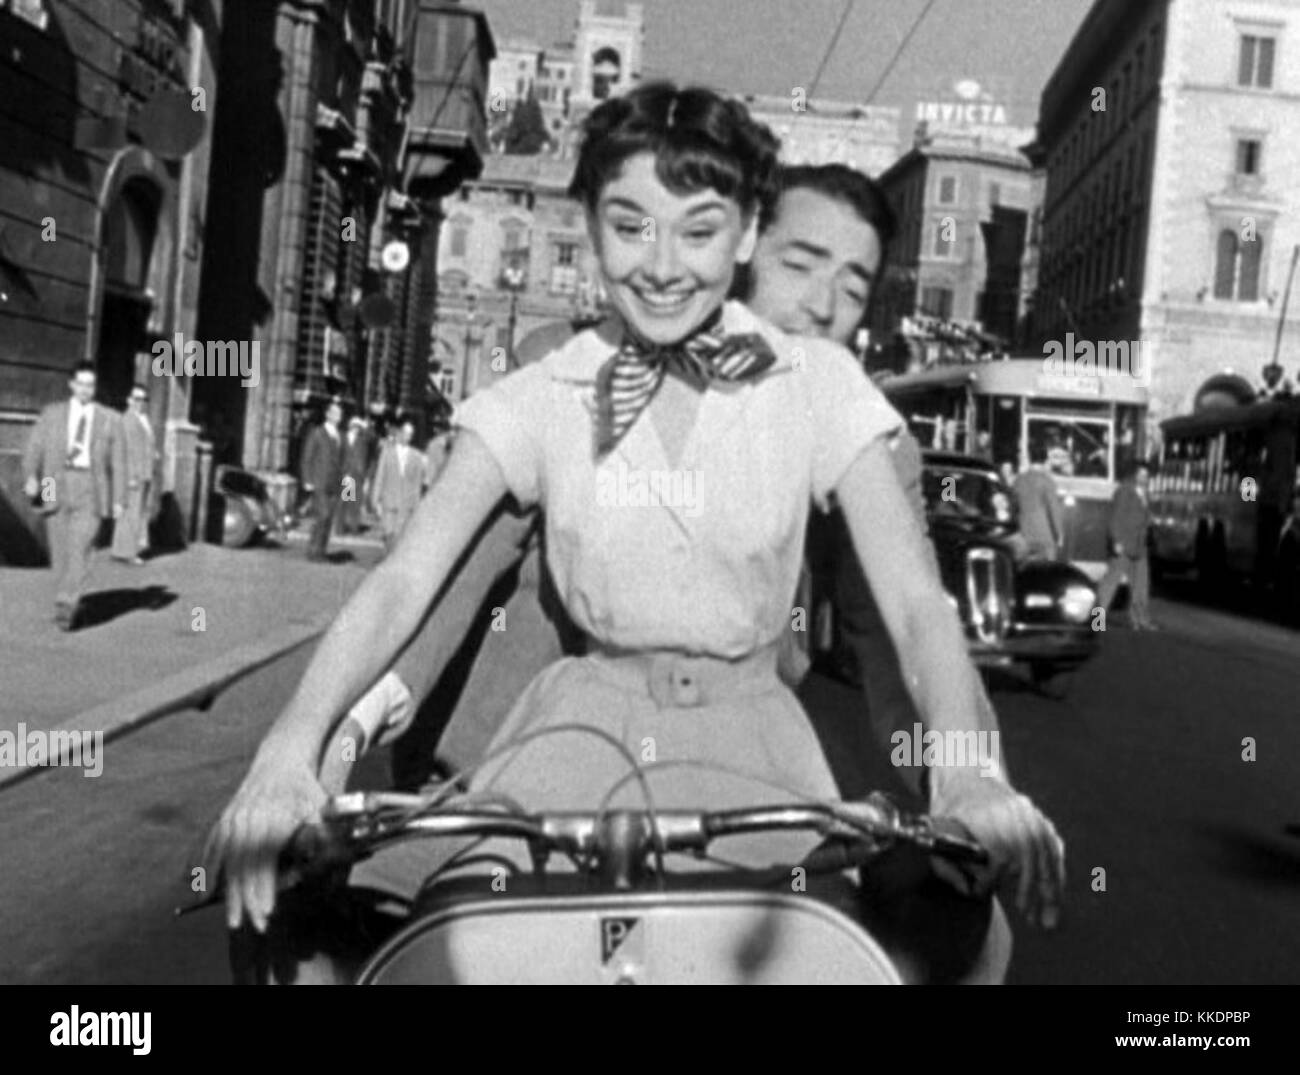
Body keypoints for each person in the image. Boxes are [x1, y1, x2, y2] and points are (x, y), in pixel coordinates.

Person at [208, 82, 1063, 982]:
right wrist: (291, 750)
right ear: (589, 222)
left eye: (698, 230)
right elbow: (402, 584)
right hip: (570, 737)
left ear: (742, 236)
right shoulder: (547, 388)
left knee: (859, 952)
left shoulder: (817, 384)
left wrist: (970, 774)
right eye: (629, 224)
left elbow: (917, 608)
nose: (662, 264)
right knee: (415, 945)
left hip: (758, 752)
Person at [21, 361, 126, 630]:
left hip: (90, 486)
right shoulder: (51, 414)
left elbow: (119, 462)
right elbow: (35, 449)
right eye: (80, 383)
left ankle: (67, 602)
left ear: (95, 387)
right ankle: (63, 595)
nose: (85, 389)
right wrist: (31, 477)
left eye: (90, 385)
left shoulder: (109, 419)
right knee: (58, 548)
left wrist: (118, 499)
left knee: (81, 546)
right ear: (71, 384)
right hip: (53, 482)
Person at [1095, 461, 1157, 630]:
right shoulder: (1124, 491)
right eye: (1142, 475)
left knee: (1141, 586)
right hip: (1123, 544)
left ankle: (1140, 620)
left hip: (1140, 545)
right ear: (1134, 475)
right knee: (1109, 584)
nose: (1145, 478)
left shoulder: (1145, 494)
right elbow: (1115, 518)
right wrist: (1116, 541)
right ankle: (1096, 621)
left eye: (1147, 475)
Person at [110, 383, 157, 564]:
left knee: (136, 512)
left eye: (144, 399)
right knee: (131, 513)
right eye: (137, 399)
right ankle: (128, 553)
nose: (140, 402)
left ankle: (125, 548)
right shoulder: (128, 419)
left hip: (144, 472)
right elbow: (126, 450)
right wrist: (130, 477)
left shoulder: (142, 419)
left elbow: (144, 444)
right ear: (129, 400)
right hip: (134, 474)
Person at [371, 418, 428, 550]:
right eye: (406, 433)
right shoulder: (387, 453)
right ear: (400, 433)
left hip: (406, 504)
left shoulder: (416, 456)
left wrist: (416, 505)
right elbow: (380, 477)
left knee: (400, 540)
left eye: (410, 434)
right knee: (388, 536)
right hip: (389, 502)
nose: (407, 437)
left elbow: (417, 484)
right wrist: (375, 500)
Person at [299, 400, 345, 562]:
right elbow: (307, 457)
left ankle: (321, 551)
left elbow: (343, 462)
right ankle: (314, 550)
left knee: (328, 517)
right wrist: (307, 480)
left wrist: (346, 490)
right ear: (328, 414)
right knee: (323, 515)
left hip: (334, 483)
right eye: (335, 413)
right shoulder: (317, 433)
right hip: (319, 481)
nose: (339, 417)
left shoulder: (340, 435)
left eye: (340, 414)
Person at [1013, 442, 1066, 561]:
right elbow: (1054, 510)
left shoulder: (1019, 480)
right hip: (1044, 534)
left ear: (1030, 458)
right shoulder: (1047, 481)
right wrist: (1059, 534)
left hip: (1023, 534)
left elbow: (1013, 506)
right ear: (1045, 460)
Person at [337, 417, 372, 535]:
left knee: (355, 502)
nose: (357, 429)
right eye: (355, 426)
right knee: (344, 501)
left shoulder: (362, 440)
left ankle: (353, 528)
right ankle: (340, 528)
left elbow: (370, 438)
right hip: (346, 473)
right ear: (351, 426)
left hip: (357, 474)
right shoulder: (342, 437)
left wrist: (366, 427)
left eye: (359, 427)